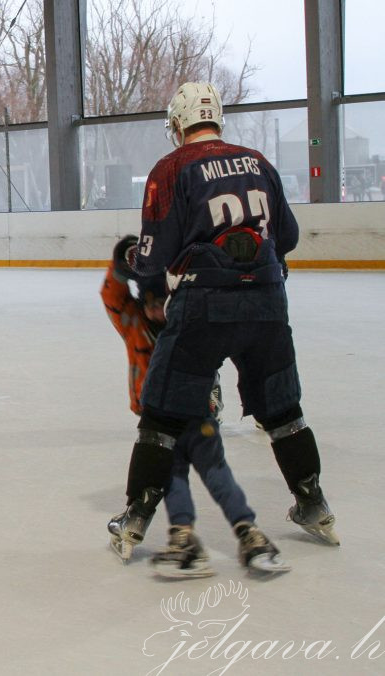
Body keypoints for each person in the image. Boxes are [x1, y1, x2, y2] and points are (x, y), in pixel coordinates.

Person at [107, 81, 339, 563]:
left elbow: (153, 257)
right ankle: (313, 503)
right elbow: (287, 237)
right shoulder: (259, 162)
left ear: (179, 122)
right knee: (283, 410)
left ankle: (135, 516)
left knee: (162, 412)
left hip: (203, 304)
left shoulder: (171, 168)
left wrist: (133, 262)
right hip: (267, 302)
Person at [103, 235, 288, 575]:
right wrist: (120, 263)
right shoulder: (135, 325)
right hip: (162, 423)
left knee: (215, 474)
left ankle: (246, 533)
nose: (156, 309)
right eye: (150, 302)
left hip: (196, 417)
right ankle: (187, 536)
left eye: (162, 301)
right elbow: (112, 296)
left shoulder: (190, 325)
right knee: (172, 477)